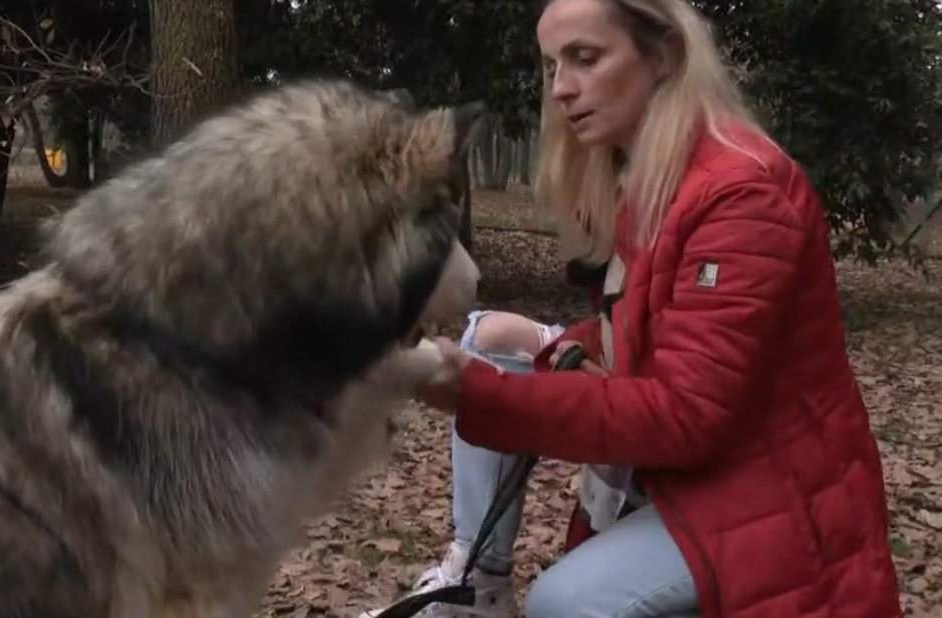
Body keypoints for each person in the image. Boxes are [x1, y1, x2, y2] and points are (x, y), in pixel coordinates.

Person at [357, 0, 905, 617]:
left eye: (585, 58)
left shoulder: (744, 193)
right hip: (692, 475)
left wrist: (468, 392)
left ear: (664, 56)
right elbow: (662, 326)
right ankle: (476, 588)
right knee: (491, 335)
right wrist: (561, 343)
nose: (561, 88)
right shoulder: (650, 177)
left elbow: (687, 414)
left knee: (568, 603)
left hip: (771, 499)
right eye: (551, 65)